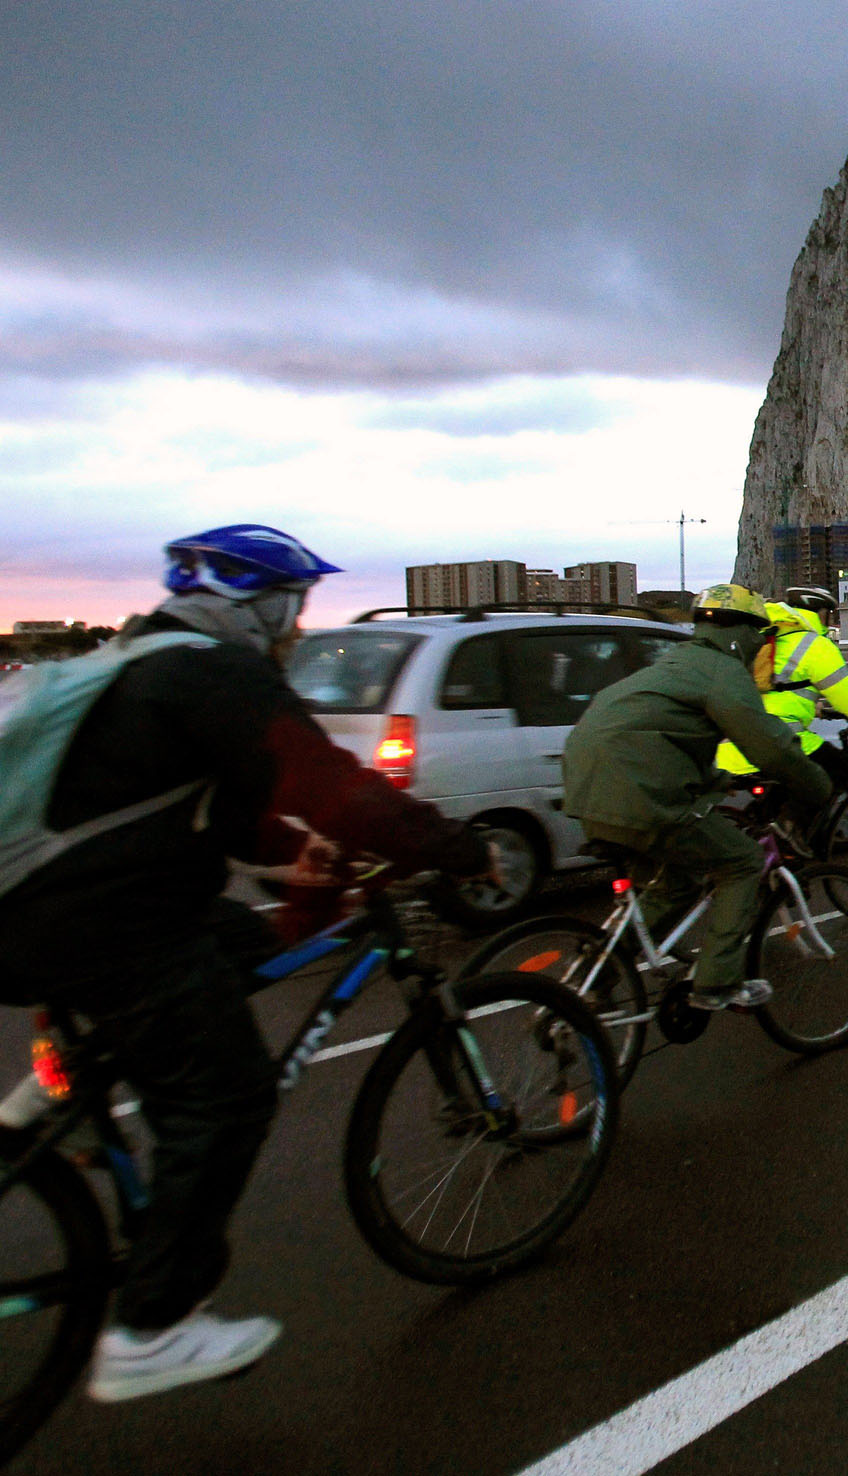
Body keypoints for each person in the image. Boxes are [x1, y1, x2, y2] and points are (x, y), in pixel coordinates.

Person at [0, 525, 498, 1402]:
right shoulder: (213, 673)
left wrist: (285, 856)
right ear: (259, 603)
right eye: (293, 609)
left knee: (236, 950)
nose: (298, 629)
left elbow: (211, 803)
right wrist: (458, 849)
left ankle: (60, 1089)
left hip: (73, 910)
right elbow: (335, 787)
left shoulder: (141, 660)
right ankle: (151, 1329)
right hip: (92, 924)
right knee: (227, 1093)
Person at [564, 583, 833, 1010]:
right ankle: (716, 984)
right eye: (762, 637)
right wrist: (817, 786)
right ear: (745, 632)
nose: (764, 648)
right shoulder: (723, 672)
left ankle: (594, 973)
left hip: (589, 788)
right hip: (642, 794)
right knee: (743, 863)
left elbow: (669, 738)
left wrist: (719, 779)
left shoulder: (675, 662)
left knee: (678, 881)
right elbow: (769, 746)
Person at [715, 584, 848, 791]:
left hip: (729, 749)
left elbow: (778, 690)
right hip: (779, 744)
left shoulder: (764, 637)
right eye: (829, 614)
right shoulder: (816, 646)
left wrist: (814, 708)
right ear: (821, 614)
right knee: (843, 772)